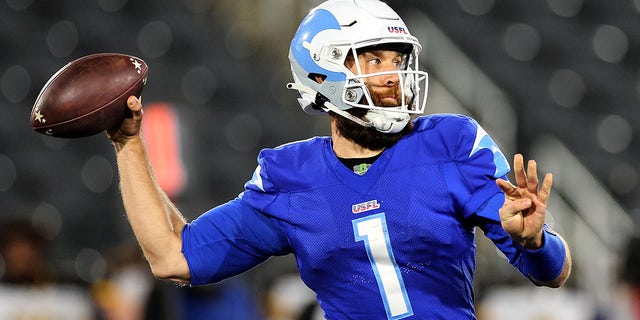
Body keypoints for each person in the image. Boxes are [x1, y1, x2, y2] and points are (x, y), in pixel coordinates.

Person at [106, 0, 572, 319]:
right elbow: (172, 256)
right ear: (322, 69)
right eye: (371, 59)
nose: (392, 76)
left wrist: (534, 242)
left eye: (397, 59)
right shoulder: (288, 177)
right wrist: (128, 144)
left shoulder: (452, 141)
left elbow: (552, 272)